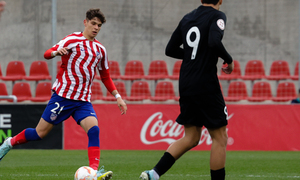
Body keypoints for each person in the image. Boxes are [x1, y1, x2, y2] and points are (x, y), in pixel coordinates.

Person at [0, 8, 127, 180]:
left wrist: (117, 96)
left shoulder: (100, 50)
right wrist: (55, 52)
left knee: (94, 130)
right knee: (39, 134)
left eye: (99, 25)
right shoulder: (72, 39)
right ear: (85, 22)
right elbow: (47, 53)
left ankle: (94, 172)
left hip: (82, 101)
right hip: (62, 97)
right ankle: (9, 143)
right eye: (93, 23)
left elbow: (105, 76)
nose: (96, 27)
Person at [140, 0, 233, 180]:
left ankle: (153, 173)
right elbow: (214, 41)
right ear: (220, 0)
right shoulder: (218, 16)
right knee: (220, 137)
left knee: (191, 137)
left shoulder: (187, 18)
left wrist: (194, 56)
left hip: (186, 82)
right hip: (205, 82)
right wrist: (228, 58)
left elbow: (170, 49)